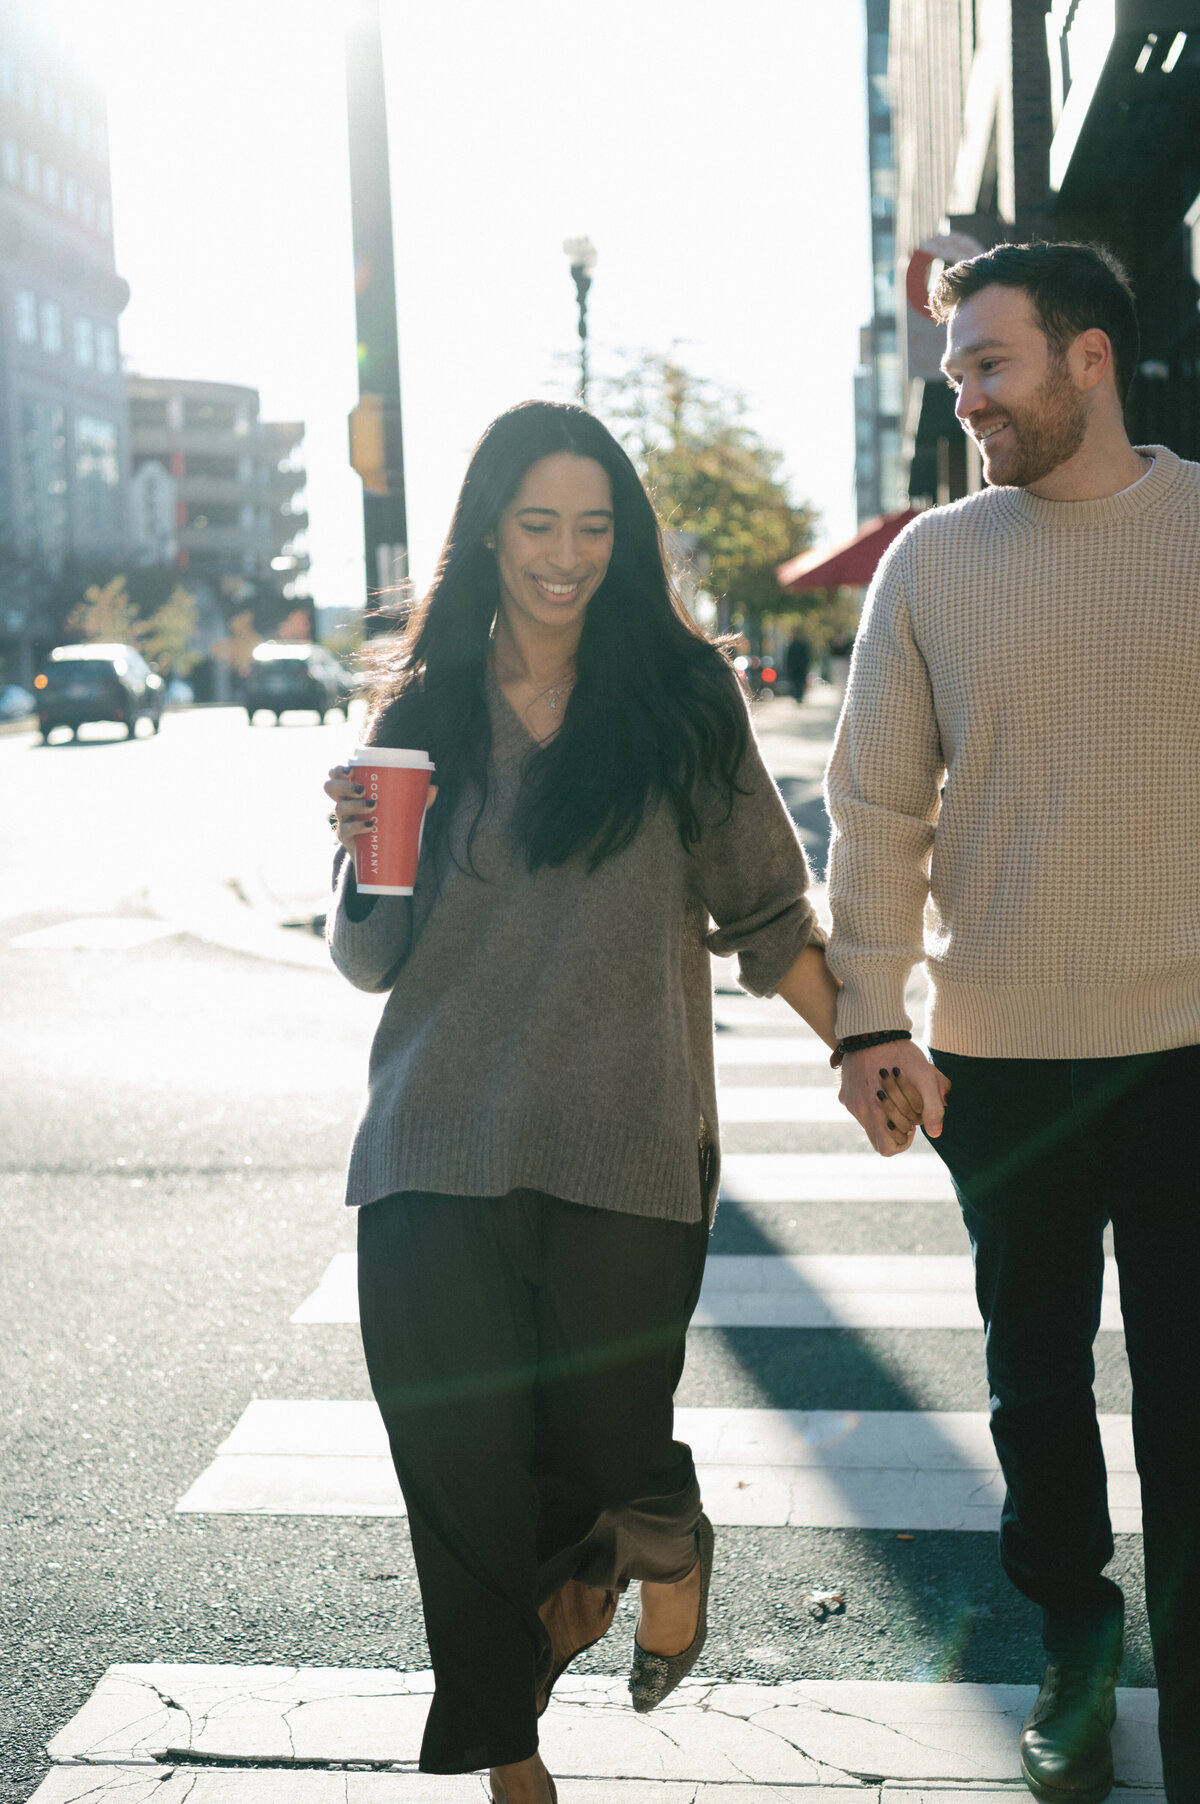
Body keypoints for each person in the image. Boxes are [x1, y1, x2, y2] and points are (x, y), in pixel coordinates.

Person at [324, 399, 917, 1804]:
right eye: (539, 524)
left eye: (596, 527)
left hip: (624, 1142)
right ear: (488, 530)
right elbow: (366, 962)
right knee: (461, 1486)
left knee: (604, 1448)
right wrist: (354, 863)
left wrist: (869, 1048)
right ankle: (513, 1767)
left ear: (626, 539)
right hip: (429, 1146)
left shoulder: (677, 700)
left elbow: (770, 915)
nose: (567, 555)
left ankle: (663, 1534)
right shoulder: (421, 713)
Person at [824, 241, 1200, 1804]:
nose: (964, 396)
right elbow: (874, 805)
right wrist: (867, 1022)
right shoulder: (933, 560)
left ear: (1090, 356)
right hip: (1006, 1057)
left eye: (992, 365)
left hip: (1191, 1047)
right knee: (1035, 1384)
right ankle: (1074, 1642)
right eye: (954, 373)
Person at [784, 629, 811, 702]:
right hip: (795, 668)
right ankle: (797, 696)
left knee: (799, 683)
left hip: (800, 668)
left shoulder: (802, 645)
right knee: (796, 683)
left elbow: (806, 657)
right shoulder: (792, 646)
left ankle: (799, 696)